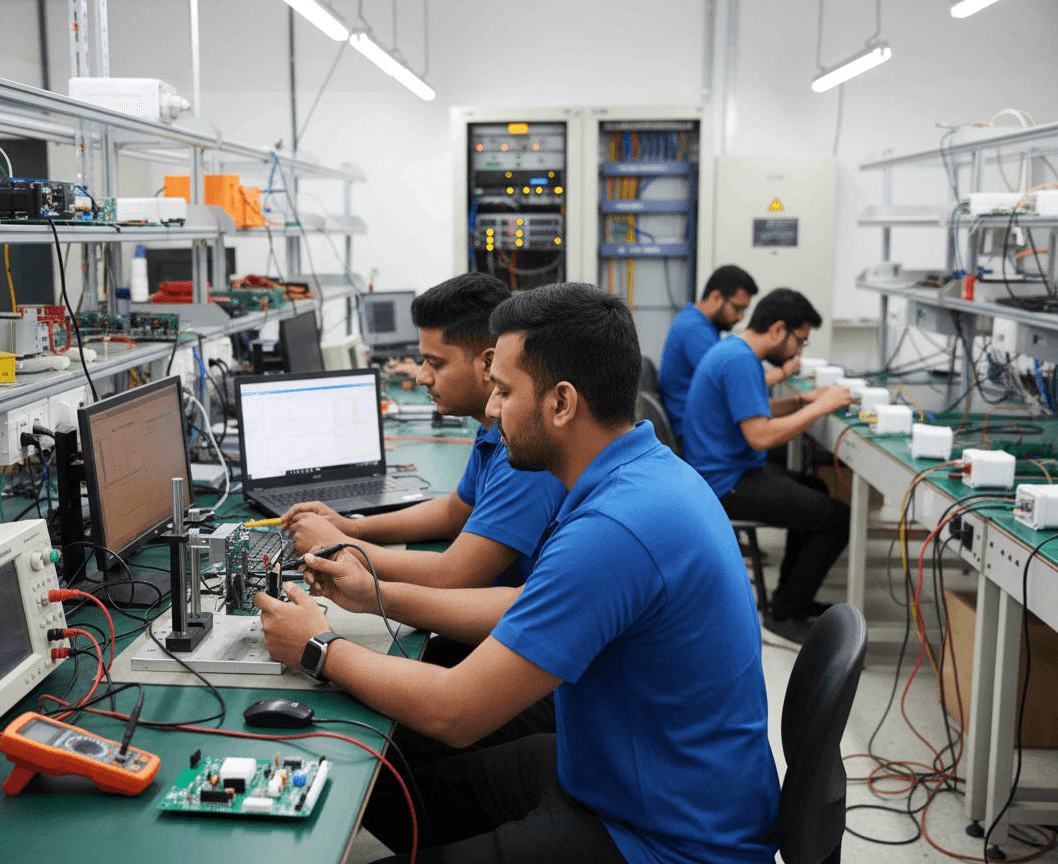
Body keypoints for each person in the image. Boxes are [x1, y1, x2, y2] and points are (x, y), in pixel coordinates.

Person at [254, 283, 781, 864]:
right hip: (627, 774)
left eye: (504, 391)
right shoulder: (639, 474)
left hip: (664, 839)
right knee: (388, 779)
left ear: (561, 403)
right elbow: (532, 606)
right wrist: (374, 593)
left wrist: (318, 649)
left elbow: (457, 711)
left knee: (405, 759)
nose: (492, 408)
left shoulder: (615, 527)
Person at [281, 272, 566, 594]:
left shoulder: (526, 451)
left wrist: (337, 543)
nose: (421, 377)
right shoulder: (492, 429)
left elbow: (454, 576)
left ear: (489, 363)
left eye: (435, 363)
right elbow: (456, 510)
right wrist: (354, 528)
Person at [683, 288, 853, 645]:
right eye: (799, 341)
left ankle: (794, 597)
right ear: (778, 329)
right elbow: (760, 436)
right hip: (724, 483)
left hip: (723, 471)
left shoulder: (734, 351)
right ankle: (785, 613)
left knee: (817, 490)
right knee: (837, 518)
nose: (798, 351)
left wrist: (800, 401)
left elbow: (751, 412)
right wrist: (819, 409)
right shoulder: (740, 360)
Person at [657, 265, 798, 447]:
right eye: (738, 308)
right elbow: (734, 386)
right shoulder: (695, 331)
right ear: (716, 297)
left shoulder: (697, 322)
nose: (741, 317)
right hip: (699, 435)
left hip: (701, 425)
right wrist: (783, 371)